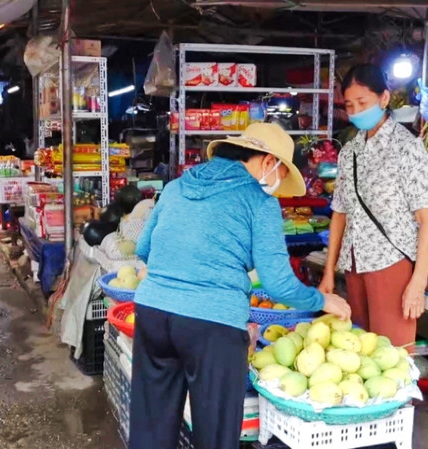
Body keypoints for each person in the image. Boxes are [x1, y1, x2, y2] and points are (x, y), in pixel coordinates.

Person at [130, 123, 351, 449]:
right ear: (267, 162)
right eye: (280, 172)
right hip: (213, 325)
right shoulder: (259, 202)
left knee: (151, 430)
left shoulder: (176, 188)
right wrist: (322, 300)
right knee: (215, 435)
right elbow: (277, 283)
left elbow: (144, 248)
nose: (277, 187)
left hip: (153, 313)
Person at [319, 64, 428, 348]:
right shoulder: (350, 151)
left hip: (391, 265)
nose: (356, 111)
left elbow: (427, 220)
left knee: (392, 359)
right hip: (355, 265)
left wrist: (417, 284)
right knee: (359, 355)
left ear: (384, 99)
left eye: (363, 102)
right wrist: (328, 272)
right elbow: (340, 213)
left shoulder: (407, 149)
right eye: (349, 105)